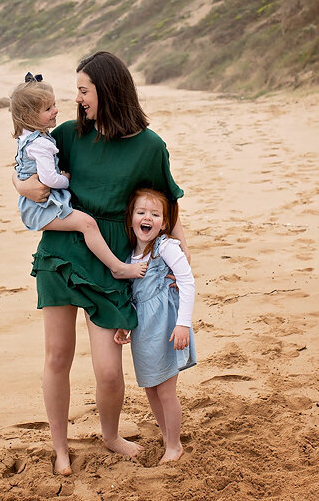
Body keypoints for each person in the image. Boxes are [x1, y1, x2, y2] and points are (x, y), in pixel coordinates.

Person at [13, 51, 187, 475]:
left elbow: (172, 210)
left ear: (107, 92)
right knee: (57, 355)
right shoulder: (69, 135)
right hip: (60, 251)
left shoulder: (150, 147)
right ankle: (59, 449)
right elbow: (27, 165)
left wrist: (184, 273)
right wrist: (17, 182)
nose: (77, 99)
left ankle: (110, 435)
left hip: (110, 260)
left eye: (84, 90)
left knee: (109, 372)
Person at [10, 73, 147, 280]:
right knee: (87, 224)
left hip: (34, 206)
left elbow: (20, 167)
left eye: (53, 104)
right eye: (48, 108)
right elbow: (48, 179)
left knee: (84, 224)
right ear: (29, 116)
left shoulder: (31, 138)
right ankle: (116, 267)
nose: (56, 110)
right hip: (39, 208)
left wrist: (20, 185)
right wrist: (66, 180)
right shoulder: (42, 144)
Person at [114, 188, 196, 464]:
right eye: (141, 212)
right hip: (143, 331)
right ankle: (166, 433)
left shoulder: (165, 247)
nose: (147, 217)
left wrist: (183, 323)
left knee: (165, 389)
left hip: (167, 328)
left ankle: (174, 444)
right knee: (150, 386)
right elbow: (134, 298)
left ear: (164, 222)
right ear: (131, 218)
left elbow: (187, 282)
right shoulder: (129, 258)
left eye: (155, 214)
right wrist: (125, 325)